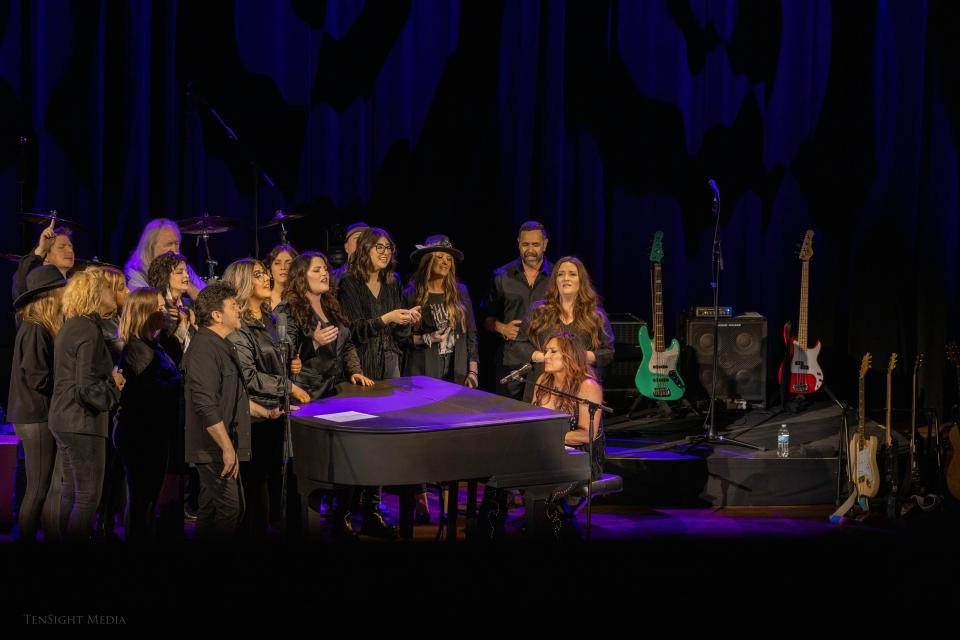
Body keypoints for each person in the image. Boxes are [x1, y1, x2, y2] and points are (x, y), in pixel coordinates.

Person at [280, 252, 375, 537]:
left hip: (332, 394)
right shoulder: (289, 310)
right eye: (317, 270)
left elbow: (346, 345)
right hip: (304, 395)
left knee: (343, 457)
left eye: (325, 269)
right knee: (309, 465)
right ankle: (301, 526)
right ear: (301, 276)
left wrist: (354, 371)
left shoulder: (332, 306)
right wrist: (312, 343)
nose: (325, 274)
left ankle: (340, 518)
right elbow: (282, 354)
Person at [337, 227, 420, 538]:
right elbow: (352, 330)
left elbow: (398, 335)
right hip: (360, 368)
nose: (385, 252)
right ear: (365, 250)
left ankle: (372, 509)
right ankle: (344, 512)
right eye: (378, 247)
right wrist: (387, 319)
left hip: (389, 365)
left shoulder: (392, 282)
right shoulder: (349, 283)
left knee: (383, 441)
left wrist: (409, 319)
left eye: (388, 247)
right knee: (357, 441)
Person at [221, 258, 310, 538]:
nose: (266, 278)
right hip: (254, 418)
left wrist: (290, 366)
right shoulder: (238, 327)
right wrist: (288, 386)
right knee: (256, 495)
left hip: (278, 415)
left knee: (281, 490)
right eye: (258, 274)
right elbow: (248, 377)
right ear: (243, 283)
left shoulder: (272, 318)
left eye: (264, 273)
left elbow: (274, 361)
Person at [48, 269, 125, 540]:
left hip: (64, 419)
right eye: (106, 289)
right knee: (87, 496)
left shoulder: (72, 325)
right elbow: (86, 387)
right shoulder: (87, 329)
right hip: (81, 422)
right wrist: (114, 384)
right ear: (94, 294)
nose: (112, 293)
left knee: (72, 491)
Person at [182, 282, 254, 540]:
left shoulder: (219, 345)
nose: (239, 310)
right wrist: (226, 447)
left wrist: (267, 412)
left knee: (212, 510)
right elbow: (205, 404)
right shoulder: (204, 348)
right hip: (212, 446)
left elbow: (229, 396)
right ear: (216, 315)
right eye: (233, 306)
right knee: (230, 508)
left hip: (220, 443)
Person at [113, 288, 184, 541]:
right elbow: (151, 390)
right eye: (158, 307)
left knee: (149, 498)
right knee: (141, 499)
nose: (164, 310)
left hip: (155, 431)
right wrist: (182, 383)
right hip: (140, 433)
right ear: (144, 313)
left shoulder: (154, 345)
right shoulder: (137, 348)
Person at [7, 266, 67, 541]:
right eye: (61, 291)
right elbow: (36, 377)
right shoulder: (34, 329)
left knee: (51, 486)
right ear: (49, 296)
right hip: (35, 416)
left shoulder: (40, 327)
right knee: (38, 488)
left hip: (38, 414)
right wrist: (68, 388)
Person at [530, 332, 606, 540]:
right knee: (498, 484)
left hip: (580, 459)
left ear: (570, 355)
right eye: (546, 351)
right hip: (546, 455)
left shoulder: (587, 386)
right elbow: (532, 422)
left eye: (553, 351)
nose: (546, 356)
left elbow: (586, 435)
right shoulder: (543, 380)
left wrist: (551, 438)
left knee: (543, 494)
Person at [517, 256, 614, 402]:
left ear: (581, 280)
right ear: (555, 280)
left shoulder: (595, 316)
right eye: (560, 274)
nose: (565, 278)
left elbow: (607, 352)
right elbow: (519, 343)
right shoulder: (538, 311)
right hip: (543, 385)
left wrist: (577, 356)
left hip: (579, 389)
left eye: (572, 274)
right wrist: (541, 356)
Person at [481, 221, 553, 399]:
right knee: (509, 415)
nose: (530, 249)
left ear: (545, 244)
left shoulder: (557, 275)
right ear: (518, 244)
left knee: (541, 415)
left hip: (546, 358)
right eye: (525, 244)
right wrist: (501, 327)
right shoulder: (501, 275)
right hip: (512, 360)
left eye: (535, 244)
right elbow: (485, 317)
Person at [402, 235, 479, 387]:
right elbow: (401, 338)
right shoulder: (411, 294)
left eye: (449, 259)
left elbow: (471, 335)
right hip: (423, 373)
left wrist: (473, 372)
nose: (445, 262)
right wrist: (428, 338)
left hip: (457, 373)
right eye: (440, 257)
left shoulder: (460, 292)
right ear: (428, 261)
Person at [124, 218, 205, 298]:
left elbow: (208, 299)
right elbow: (145, 306)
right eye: (168, 244)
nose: (175, 251)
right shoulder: (135, 273)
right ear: (151, 247)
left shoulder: (183, 268)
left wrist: (185, 282)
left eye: (176, 244)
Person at [147, 251, 195, 363]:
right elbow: (164, 351)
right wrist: (182, 324)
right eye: (179, 272)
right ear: (164, 276)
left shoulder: (190, 305)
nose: (186, 275)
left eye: (186, 272)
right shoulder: (156, 308)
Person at [12, 219, 75, 302]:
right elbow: (20, 291)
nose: (70, 251)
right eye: (61, 247)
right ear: (46, 256)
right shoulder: (39, 288)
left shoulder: (75, 285)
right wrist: (41, 249)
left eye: (70, 247)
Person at [329, 221, 369, 287]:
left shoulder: (383, 277)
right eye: (357, 238)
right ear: (346, 247)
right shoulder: (332, 278)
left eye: (367, 239)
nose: (363, 242)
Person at [265, 244, 298, 311]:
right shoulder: (261, 296)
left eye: (289, 263)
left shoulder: (301, 298)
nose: (283, 267)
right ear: (269, 269)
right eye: (277, 263)